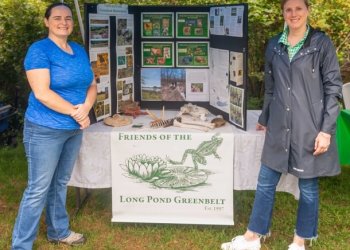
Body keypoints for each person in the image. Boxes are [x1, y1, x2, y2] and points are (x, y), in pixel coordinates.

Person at [221, 0, 343, 249]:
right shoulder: (274, 44)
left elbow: (333, 89)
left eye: (299, 8)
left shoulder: (321, 43)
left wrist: (326, 131)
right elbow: (271, 87)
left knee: (308, 187)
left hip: (310, 127)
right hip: (278, 125)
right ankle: (253, 237)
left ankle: (300, 241)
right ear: (283, 13)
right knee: (265, 181)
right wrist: (265, 117)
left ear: (307, 11)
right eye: (289, 9)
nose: (294, 13)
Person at [12, 2, 97, 249]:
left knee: (60, 182)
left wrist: (85, 109)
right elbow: (42, 93)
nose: (64, 22)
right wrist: (77, 113)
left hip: (72, 129)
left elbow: (91, 85)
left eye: (68, 18)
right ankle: (21, 245)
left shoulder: (79, 50)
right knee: (38, 188)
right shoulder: (39, 50)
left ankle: (58, 231)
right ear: (47, 22)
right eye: (57, 18)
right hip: (44, 129)